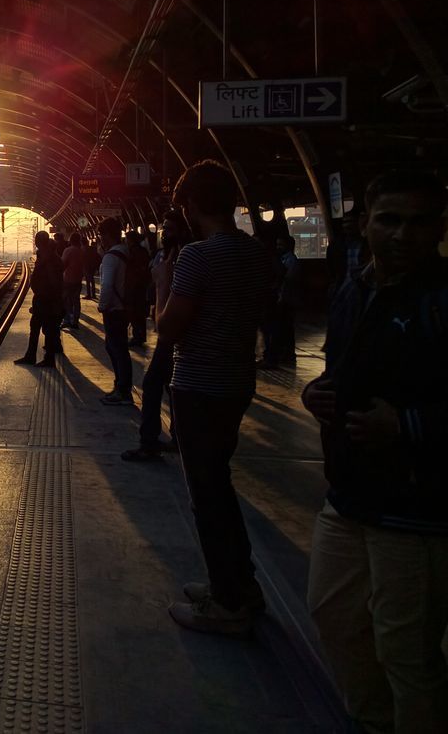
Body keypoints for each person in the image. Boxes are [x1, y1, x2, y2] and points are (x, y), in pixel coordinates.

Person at [302, 170, 448, 734]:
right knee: (334, 618)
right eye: (389, 219)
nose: (402, 234)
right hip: (348, 494)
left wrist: (406, 425)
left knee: (406, 652)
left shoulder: (442, 300)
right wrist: (316, 393)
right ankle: (372, 720)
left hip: (417, 507)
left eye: (418, 222)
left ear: (439, 228)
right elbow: (338, 366)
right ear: (365, 223)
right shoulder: (353, 289)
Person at [156, 160, 272, 635]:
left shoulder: (198, 258)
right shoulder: (257, 254)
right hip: (237, 380)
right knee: (219, 485)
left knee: (207, 494)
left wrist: (163, 283)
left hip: (199, 384)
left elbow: (168, 328)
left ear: (193, 206)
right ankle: (239, 585)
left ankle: (227, 603)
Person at [122, 209, 189, 462]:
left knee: (153, 385)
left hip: (174, 334)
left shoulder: (185, 257)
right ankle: (176, 437)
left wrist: (161, 283)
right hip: (172, 334)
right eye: (164, 229)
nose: (165, 235)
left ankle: (150, 443)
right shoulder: (168, 254)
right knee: (169, 387)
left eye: (170, 229)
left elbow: (169, 300)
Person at [97, 219, 134, 405]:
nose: (100, 240)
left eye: (101, 236)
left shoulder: (110, 257)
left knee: (115, 349)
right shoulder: (126, 252)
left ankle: (123, 391)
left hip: (113, 309)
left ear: (107, 235)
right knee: (120, 349)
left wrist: (102, 305)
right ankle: (122, 387)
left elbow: (107, 284)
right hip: (124, 306)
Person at [15, 233, 64, 367]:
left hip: (46, 299)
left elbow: (53, 280)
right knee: (37, 327)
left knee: (47, 329)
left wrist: (52, 299)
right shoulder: (46, 256)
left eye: (37, 240)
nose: (36, 242)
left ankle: (48, 359)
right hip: (42, 299)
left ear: (40, 242)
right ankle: (31, 356)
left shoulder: (49, 258)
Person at [260, 235, 301, 367]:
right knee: (285, 328)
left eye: (281, 245)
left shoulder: (289, 261)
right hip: (285, 298)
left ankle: (283, 354)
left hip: (286, 299)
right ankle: (285, 354)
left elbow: (288, 281)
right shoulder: (285, 260)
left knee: (284, 328)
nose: (278, 247)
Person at [124, 230, 151, 345]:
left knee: (133, 312)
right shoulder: (144, 251)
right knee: (140, 312)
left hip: (133, 286)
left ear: (130, 240)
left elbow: (129, 268)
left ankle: (136, 336)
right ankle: (141, 336)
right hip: (142, 285)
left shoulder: (131, 252)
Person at [60, 234, 84, 330]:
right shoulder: (81, 251)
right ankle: (75, 321)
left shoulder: (68, 250)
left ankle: (67, 320)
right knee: (76, 300)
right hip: (78, 279)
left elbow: (63, 264)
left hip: (68, 279)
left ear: (71, 240)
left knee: (66, 301)